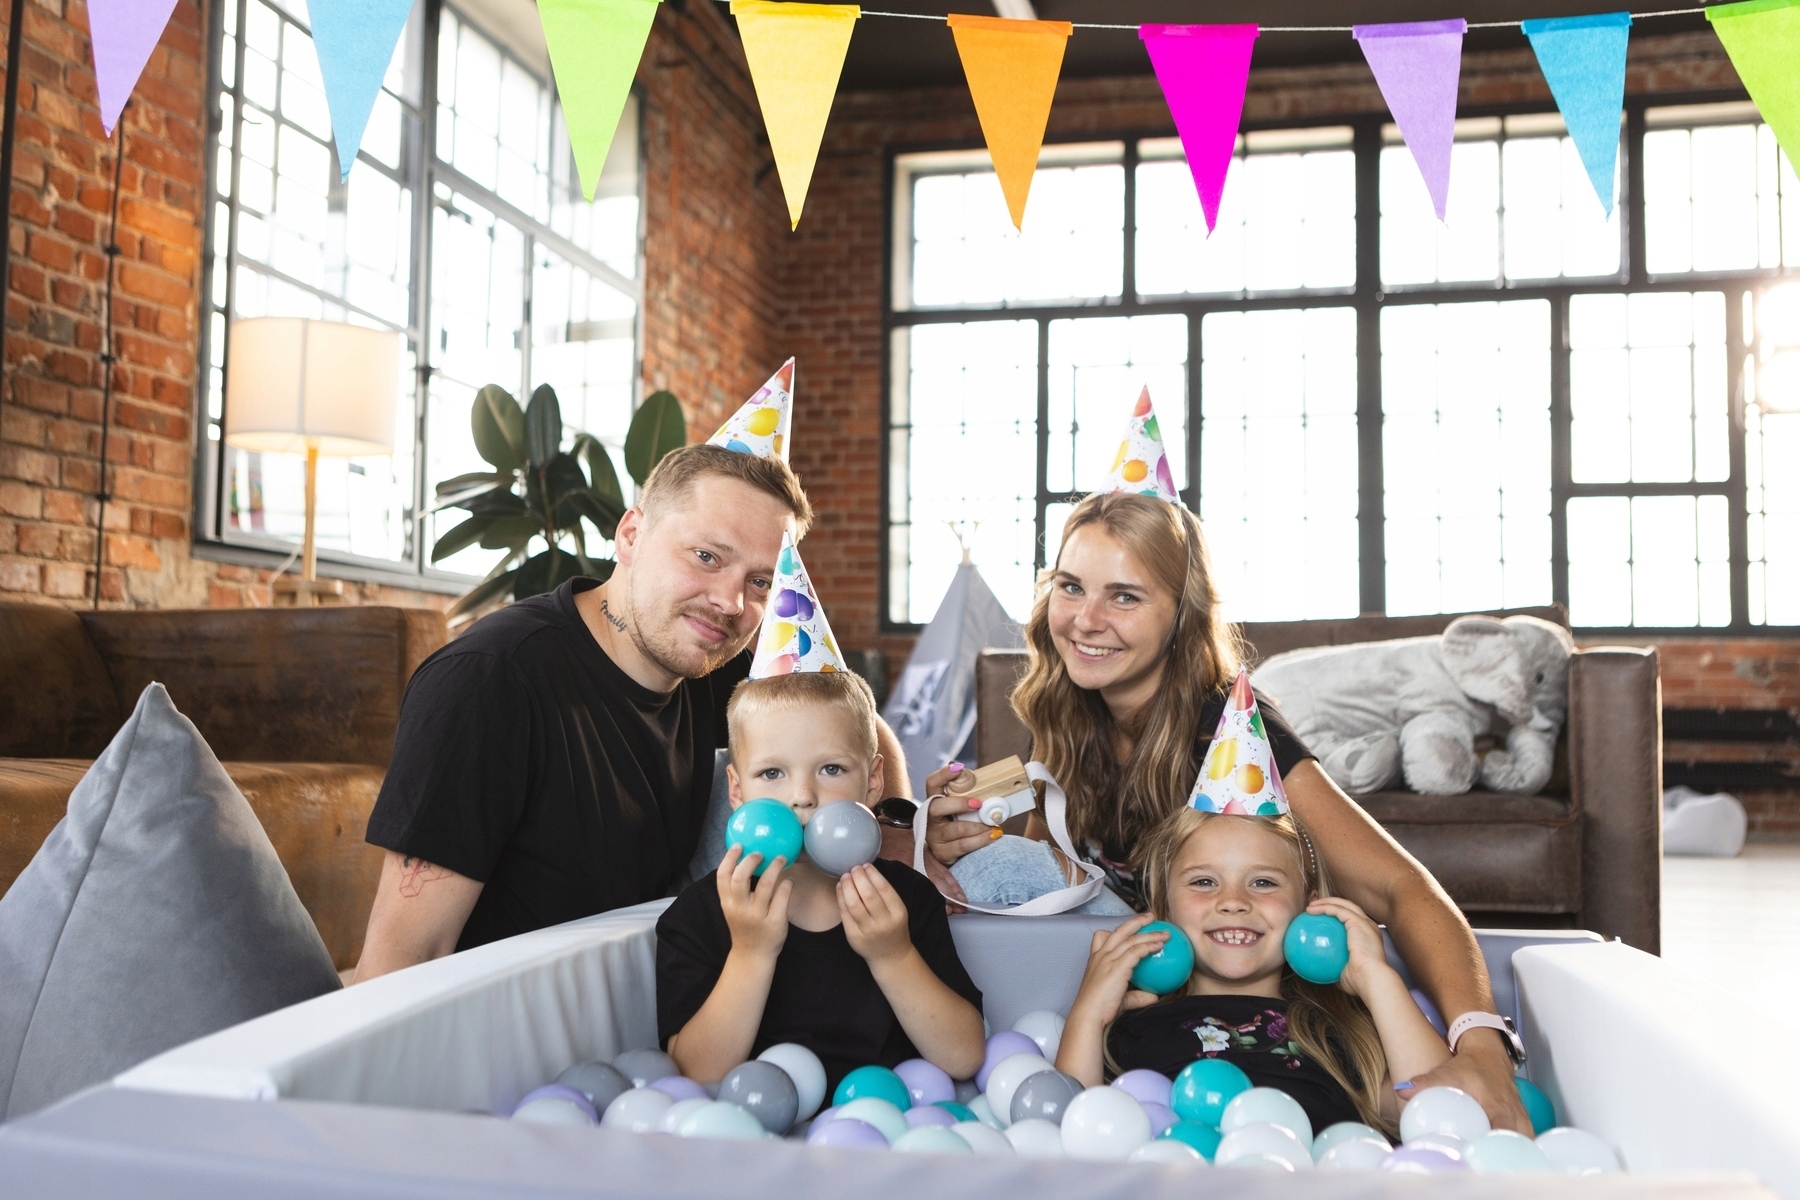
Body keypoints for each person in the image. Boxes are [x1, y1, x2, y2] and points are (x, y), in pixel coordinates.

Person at [920, 396, 1532, 1132]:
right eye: (1071, 586)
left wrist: (1482, 1044)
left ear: (1181, 615)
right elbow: (1064, 864)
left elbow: (1401, 887)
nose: (1085, 620)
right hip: (1139, 987)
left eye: (1124, 597)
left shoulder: (1229, 728)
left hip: (1243, 983)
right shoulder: (1069, 706)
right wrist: (958, 836)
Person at [354, 443, 910, 981]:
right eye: (707, 557)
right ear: (630, 535)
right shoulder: (489, 681)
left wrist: (888, 829)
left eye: (760, 581)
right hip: (513, 1019)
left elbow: (856, 722)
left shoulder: (710, 661)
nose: (731, 601)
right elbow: (403, 957)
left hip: (653, 999)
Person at [656, 669, 985, 1090]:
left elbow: (964, 1056)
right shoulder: (699, 915)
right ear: (736, 790)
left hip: (889, 1116)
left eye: (831, 769)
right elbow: (695, 1076)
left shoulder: (907, 899)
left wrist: (893, 954)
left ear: (873, 781)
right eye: (772, 773)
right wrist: (750, 954)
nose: (802, 796)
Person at [1057, 808, 1449, 1139]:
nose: (1233, 902)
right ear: (1165, 908)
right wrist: (1088, 1015)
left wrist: (1377, 978)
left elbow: (1441, 1116)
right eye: (1204, 881)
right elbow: (1070, 1136)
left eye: (1263, 882)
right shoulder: (1136, 1024)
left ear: (1309, 908)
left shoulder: (1336, 1032)